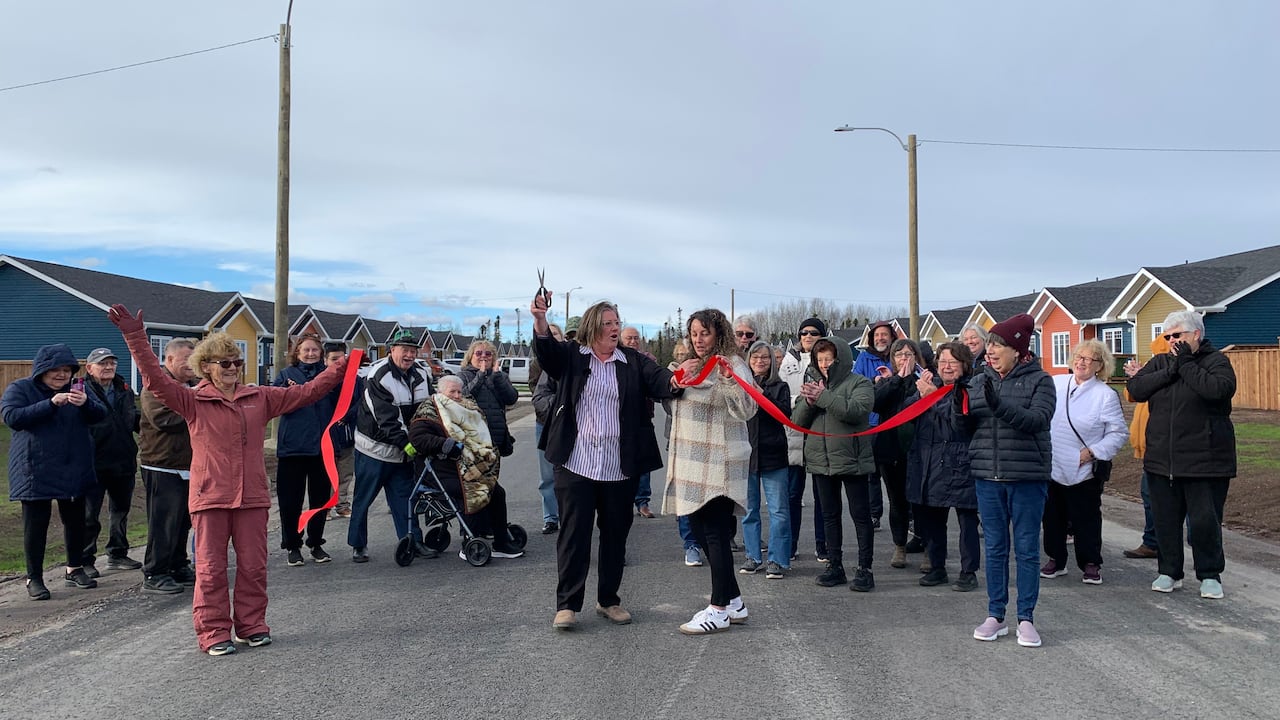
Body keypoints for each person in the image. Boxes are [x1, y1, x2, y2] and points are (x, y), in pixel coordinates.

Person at [110, 305, 346, 655]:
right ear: (206, 367)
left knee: (253, 568)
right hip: (210, 498)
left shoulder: (260, 397)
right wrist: (135, 337)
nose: (233, 368)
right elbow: (155, 380)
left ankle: (252, 626)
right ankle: (213, 632)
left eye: (237, 362)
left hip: (252, 498)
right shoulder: (192, 401)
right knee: (210, 571)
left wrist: (340, 369)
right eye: (225, 363)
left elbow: (307, 393)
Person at [531, 292, 676, 631]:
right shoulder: (572, 355)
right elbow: (547, 353)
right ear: (593, 326)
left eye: (617, 323)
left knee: (615, 536)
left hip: (618, 467)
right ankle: (567, 605)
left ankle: (609, 600)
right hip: (576, 462)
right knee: (574, 535)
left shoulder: (632, 360)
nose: (615, 328)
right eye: (608, 323)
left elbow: (659, 379)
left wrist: (677, 379)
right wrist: (540, 319)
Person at [956, 313, 1055, 648]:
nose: (991, 351)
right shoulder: (978, 380)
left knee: (1026, 550)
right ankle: (995, 615)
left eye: (998, 345)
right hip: (987, 476)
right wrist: (958, 409)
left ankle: (1026, 618)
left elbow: (1037, 420)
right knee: (995, 548)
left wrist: (998, 405)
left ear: (1017, 349)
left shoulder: (1041, 381)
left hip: (1027, 477)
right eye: (990, 345)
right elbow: (967, 431)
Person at [1127, 310, 1236, 600]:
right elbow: (1136, 388)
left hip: (1206, 461)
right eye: (1168, 337)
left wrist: (1185, 363)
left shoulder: (1216, 362)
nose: (1172, 341)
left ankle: (1210, 575)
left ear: (1196, 334)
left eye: (1177, 335)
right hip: (1162, 460)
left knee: (1204, 523)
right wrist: (1171, 370)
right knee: (1165, 521)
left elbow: (1217, 391)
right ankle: (1169, 571)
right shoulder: (1161, 362)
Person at [665, 308, 756, 635]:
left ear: (719, 333)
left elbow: (748, 408)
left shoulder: (733, 364)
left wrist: (730, 381)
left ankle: (718, 609)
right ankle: (734, 601)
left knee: (716, 533)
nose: (698, 339)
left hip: (720, 461)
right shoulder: (690, 365)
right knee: (699, 530)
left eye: (705, 332)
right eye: (694, 333)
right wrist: (675, 382)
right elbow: (671, 403)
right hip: (692, 463)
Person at [3, 344, 107, 600]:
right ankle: (34, 578)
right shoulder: (21, 388)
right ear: (42, 370)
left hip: (73, 465)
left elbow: (100, 415)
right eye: (55, 370)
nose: (61, 375)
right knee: (35, 525)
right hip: (34, 467)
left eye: (66, 370)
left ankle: (74, 568)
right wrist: (49, 404)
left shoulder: (78, 389)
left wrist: (86, 404)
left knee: (75, 521)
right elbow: (12, 417)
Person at [792, 337, 876, 591]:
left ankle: (865, 569)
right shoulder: (812, 384)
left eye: (828, 358)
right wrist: (808, 403)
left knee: (861, 516)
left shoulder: (859, 383)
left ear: (840, 359)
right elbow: (796, 421)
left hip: (852, 460)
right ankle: (835, 565)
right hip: (821, 461)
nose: (824, 364)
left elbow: (856, 411)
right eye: (820, 359)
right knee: (829, 515)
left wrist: (824, 397)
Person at [1042, 340, 1128, 585]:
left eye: (1089, 359)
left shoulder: (1105, 395)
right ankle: (1055, 559)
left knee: (1086, 517)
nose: (1082, 362)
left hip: (1084, 467)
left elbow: (1118, 433)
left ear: (1100, 366)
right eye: (1079, 357)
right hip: (1052, 463)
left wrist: (1092, 452)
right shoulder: (1056, 383)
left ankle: (1090, 562)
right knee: (1052, 516)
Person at [349, 329, 435, 564]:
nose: (409, 355)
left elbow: (428, 408)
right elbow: (385, 418)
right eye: (404, 350)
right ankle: (358, 544)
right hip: (374, 449)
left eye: (413, 351)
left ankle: (412, 540)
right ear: (392, 350)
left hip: (403, 451)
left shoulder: (421, 374)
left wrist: (426, 438)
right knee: (363, 499)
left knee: (405, 499)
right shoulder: (378, 376)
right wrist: (408, 444)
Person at [408, 374, 517, 558]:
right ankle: (470, 540)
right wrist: (444, 443)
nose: (457, 396)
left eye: (459, 392)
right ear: (440, 392)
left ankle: (501, 541)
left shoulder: (468, 408)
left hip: (467, 465)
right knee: (472, 490)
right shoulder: (428, 410)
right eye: (452, 392)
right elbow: (417, 438)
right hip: (440, 468)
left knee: (497, 492)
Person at [906, 342, 980, 591]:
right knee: (933, 520)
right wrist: (918, 395)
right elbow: (905, 413)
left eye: (953, 362)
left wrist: (931, 397)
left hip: (960, 463)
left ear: (964, 365)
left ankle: (968, 571)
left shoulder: (971, 387)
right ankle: (937, 567)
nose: (947, 367)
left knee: (967, 522)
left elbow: (959, 423)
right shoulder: (931, 385)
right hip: (930, 462)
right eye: (943, 362)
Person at [138, 338, 198, 595]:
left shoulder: (192, 387)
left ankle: (177, 564)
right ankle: (155, 572)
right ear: (170, 359)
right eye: (186, 360)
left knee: (183, 521)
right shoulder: (155, 386)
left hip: (188, 464)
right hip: (161, 464)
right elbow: (163, 420)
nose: (191, 365)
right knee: (163, 522)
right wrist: (198, 407)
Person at [273, 334, 339, 566]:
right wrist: (291, 391)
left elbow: (347, 400)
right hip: (293, 448)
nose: (310, 354)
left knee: (320, 500)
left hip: (322, 448)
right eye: (306, 350)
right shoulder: (285, 375)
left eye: (314, 350)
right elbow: (275, 402)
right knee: (290, 501)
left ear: (321, 353)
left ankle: (316, 542)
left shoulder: (330, 375)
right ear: (297, 352)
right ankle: (292, 545)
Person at [454, 339, 521, 555]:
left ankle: (489, 528)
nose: (483, 357)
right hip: (473, 444)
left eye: (488, 354)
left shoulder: (499, 376)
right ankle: (473, 533)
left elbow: (511, 398)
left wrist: (497, 377)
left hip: (495, 441)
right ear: (470, 356)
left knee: (491, 487)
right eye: (479, 353)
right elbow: (463, 397)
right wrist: (481, 376)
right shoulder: (463, 375)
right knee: (479, 488)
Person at [81, 347, 142, 576]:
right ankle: (85, 559)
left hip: (123, 459)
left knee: (120, 511)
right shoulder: (80, 390)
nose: (108, 367)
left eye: (111, 363)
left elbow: (133, 418)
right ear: (90, 368)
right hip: (92, 462)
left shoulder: (124, 388)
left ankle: (117, 553)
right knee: (89, 515)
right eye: (102, 363)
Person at [872, 338, 926, 570]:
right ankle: (899, 546)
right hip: (891, 450)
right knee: (897, 501)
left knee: (922, 502)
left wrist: (913, 381)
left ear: (916, 357)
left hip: (919, 451)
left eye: (908, 354)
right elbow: (876, 403)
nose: (904, 358)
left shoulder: (924, 380)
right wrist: (895, 380)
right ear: (893, 359)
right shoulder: (887, 381)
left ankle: (927, 546)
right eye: (899, 354)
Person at [740, 339, 792, 579]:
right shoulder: (741, 386)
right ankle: (753, 556)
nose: (759, 361)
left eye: (764, 357)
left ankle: (778, 559)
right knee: (749, 510)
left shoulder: (780, 387)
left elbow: (783, 414)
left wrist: (762, 395)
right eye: (755, 357)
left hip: (773, 456)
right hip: (747, 456)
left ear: (772, 361)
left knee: (778, 511)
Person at [778, 317, 827, 561]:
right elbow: (780, 396)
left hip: (820, 435)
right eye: (804, 332)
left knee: (823, 497)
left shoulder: (828, 360)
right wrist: (802, 400)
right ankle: (791, 544)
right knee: (792, 496)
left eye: (813, 333)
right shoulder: (788, 362)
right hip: (795, 436)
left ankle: (823, 545)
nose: (808, 336)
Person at [1121, 334, 1171, 559]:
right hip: (1148, 449)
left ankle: (1193, 546)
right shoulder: (1153, 371)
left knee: (1166, 498)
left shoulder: (1169, 373)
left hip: (1164, 448)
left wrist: (1146, 375)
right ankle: (1152, 542)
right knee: (1149, 496)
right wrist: (1137, 377)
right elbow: (1132, 395)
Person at [855, 320, 897, 536]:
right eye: (877, 335)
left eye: (884, 334)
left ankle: (904, 515)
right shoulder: (864, 358)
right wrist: (875, 380)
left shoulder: (897, 356)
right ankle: (874, 513)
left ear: (891, 337)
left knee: (895, 473)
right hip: (871, 422)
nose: (881, 338)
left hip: (895, 421)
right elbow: (856, 382)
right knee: (872, 473)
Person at [667, 339, 704, 567]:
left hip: (707, 443)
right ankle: (691, 544)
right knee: (685, 498)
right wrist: (679, 381)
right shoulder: (672, 373)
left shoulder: (712, 368)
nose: (684, 356)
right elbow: (667, 403)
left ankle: (711, 540)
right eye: (680, 353)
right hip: (683, 442)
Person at [621, 325, 659, 519]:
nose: (633, 341)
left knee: (644, 463)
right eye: (629, 338)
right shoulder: (615, 359)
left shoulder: (648, 360)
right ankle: (622, 502)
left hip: (643, 418)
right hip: (620, 420)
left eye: (636, 338)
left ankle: (643, 502)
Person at [532, 323, 565, 534]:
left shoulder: (572, 359)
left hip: (571, 427)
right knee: (547, 476)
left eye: (555, 334)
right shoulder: (538, 363)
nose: (552, 337)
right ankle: (551, 517)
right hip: (545, 424)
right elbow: (537, 394)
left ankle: (569, 516)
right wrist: (562, 405)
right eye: (549, 334)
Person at [324, 341, 358, 520]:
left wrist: (347, 416)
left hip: (347, 433)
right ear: (325, 360)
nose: (338, 362)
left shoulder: (354, 379)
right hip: (328, 435)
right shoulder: (322, 381)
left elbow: (360, 401)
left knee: (346, 472)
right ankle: (326, 507)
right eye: (333, 359)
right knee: (329, 473)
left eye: (341, 359)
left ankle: (342, 504)